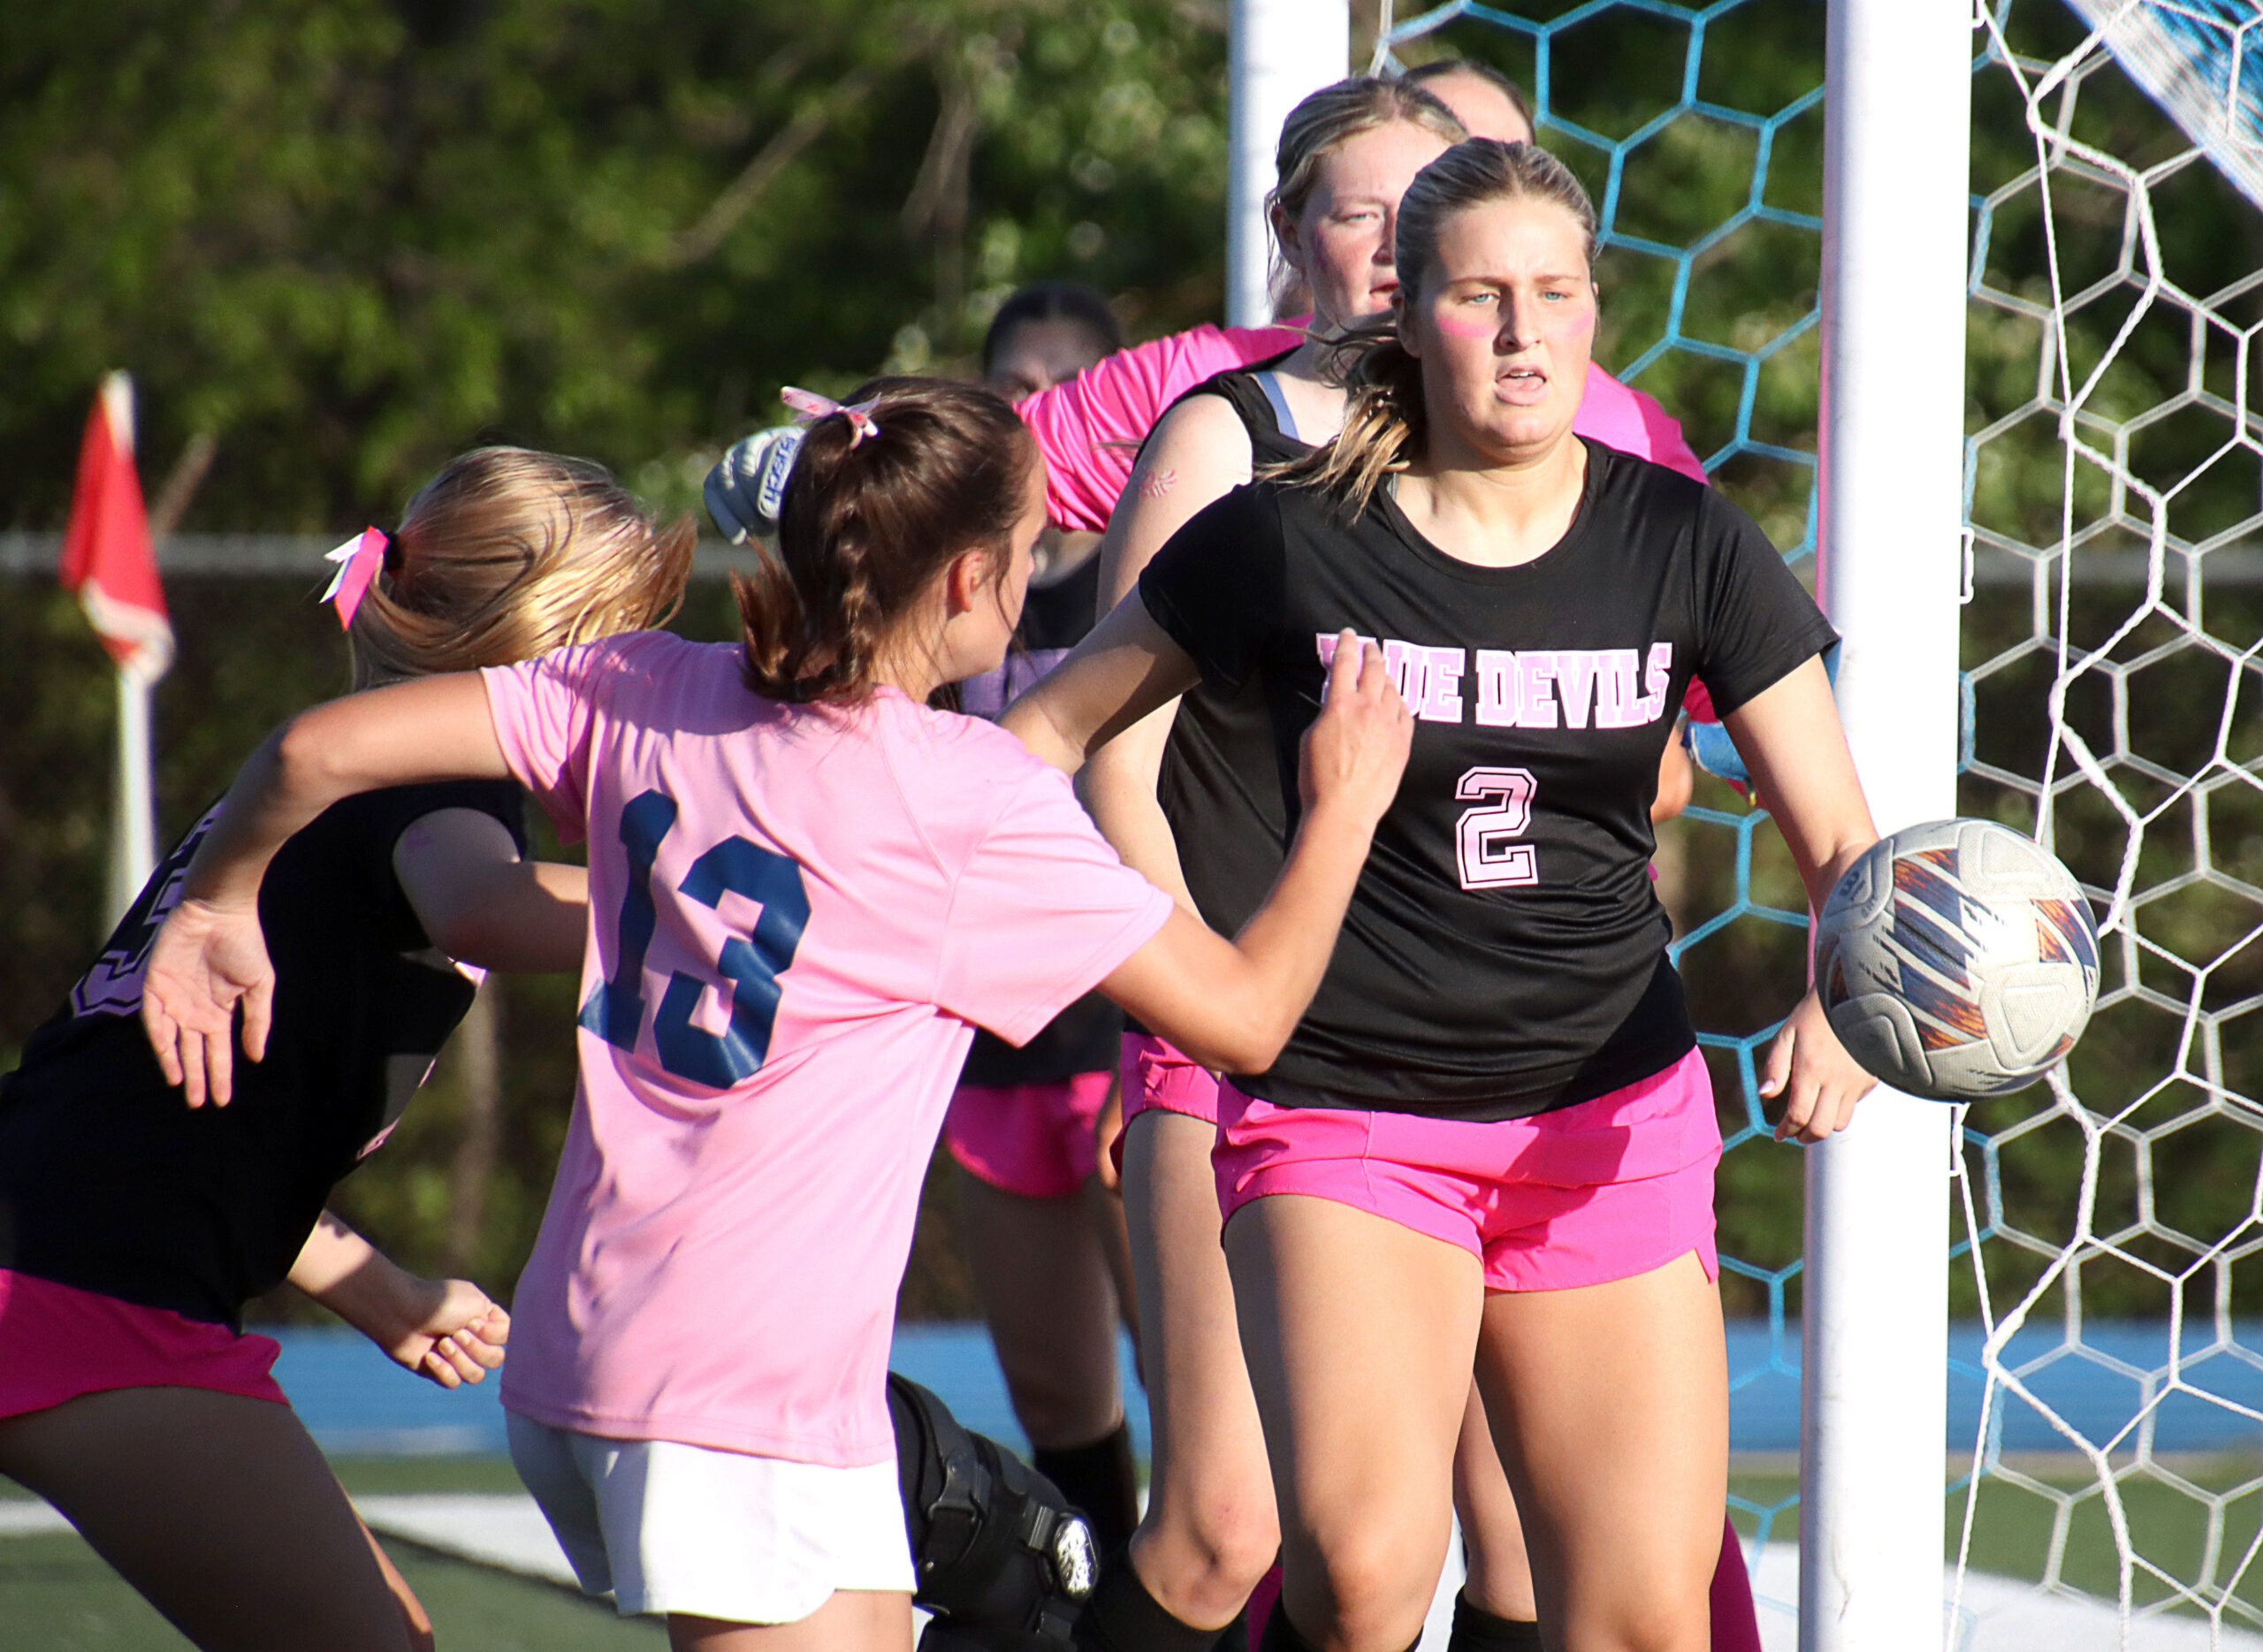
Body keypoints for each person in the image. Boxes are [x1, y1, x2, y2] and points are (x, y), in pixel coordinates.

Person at [139, 377, 1414, 1652]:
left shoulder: (644, 683)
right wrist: (1347, 803)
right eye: (1032, 552)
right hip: (728, 1405)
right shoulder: (968, 800)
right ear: (970, 580)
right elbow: (1246, 1020)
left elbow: (313, 750)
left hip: (622, 1358)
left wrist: (215, 904)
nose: (1037, 580)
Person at [1004, 139, 1877, 1652]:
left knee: (1641, 1618)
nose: (1528, 331)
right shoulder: (1287, 531)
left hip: (1605, 1118)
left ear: (1599, 308)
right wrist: (1180, 964)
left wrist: (1845, 1008)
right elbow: (1058, 735)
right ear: (1410, 314)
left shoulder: (1684, 538)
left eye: (1557, 294)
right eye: (1483, 296)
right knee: (1359, 1584)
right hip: (1351, 1105)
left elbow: (1847, 855)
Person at [0, 447, 693, 1652]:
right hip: (82, 1286)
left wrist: (380, 1287)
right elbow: (485, 906)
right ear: (556, 644)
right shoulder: (444, 785)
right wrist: (726, 896)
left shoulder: (318, 785)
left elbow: (185, 1110)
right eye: (631, 654)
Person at [946, 281, 1147, 1556]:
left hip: (1136, 1023)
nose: (1040, 405)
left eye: (1070, 378)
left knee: (1215, 1393)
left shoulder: (1155, 578)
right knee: (1061, 1401)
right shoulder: (948, 583)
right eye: (1017, 379)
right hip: (987, 1031)